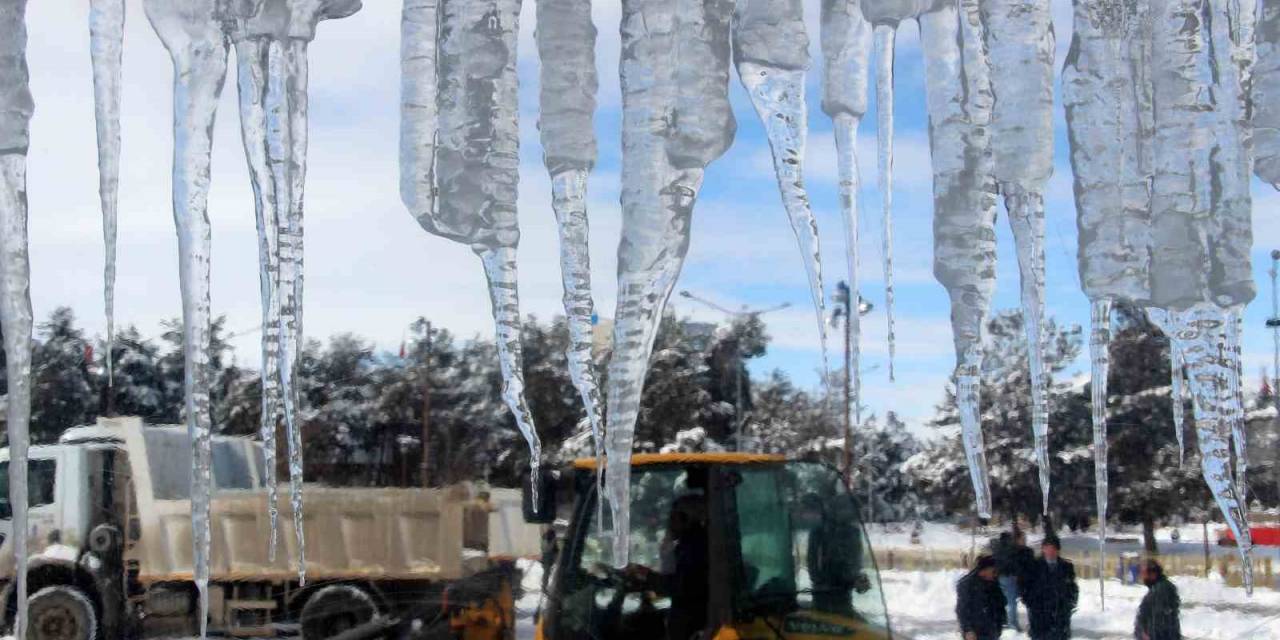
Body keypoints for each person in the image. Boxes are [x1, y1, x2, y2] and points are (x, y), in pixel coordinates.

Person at [1021, 534, 1078, 640]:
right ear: (1043, 549)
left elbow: (1072, 587)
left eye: (1053, 549)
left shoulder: (1066, 567)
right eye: (1047, 548)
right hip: (1040, 614)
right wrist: (1030, 602)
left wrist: (1070, 604)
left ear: (1058, 550)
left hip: (1060, 615)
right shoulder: (1033, 566)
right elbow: (1025, 586)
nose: (1050, 552)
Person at [956, 554, 1006, 640]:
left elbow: (1000, 603)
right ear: (984, 570)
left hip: (992, 629)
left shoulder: (993, 583)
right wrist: (968, 629)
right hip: (976, 632)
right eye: (993, 571)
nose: (995, 574)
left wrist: (1000, 622)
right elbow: (962, 609)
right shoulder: (967, 584)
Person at [993, 528, 1033, 631]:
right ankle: (1013, 624)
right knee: (1012, 602)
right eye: (1023, 539)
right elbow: (1013, 565)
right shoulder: (1013, 550)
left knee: (1013, 602)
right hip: (1011, 577)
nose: (1025, 540)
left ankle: (1015, 623)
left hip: (1016, 578)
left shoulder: (1023, 550)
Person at [1134, 559, 1181, 640]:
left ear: (1153, 574)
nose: (1142, 577)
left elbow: (1159, 620)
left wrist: (1149, 635)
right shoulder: (1156, 589)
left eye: (1144, 573)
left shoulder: (1162, 590)